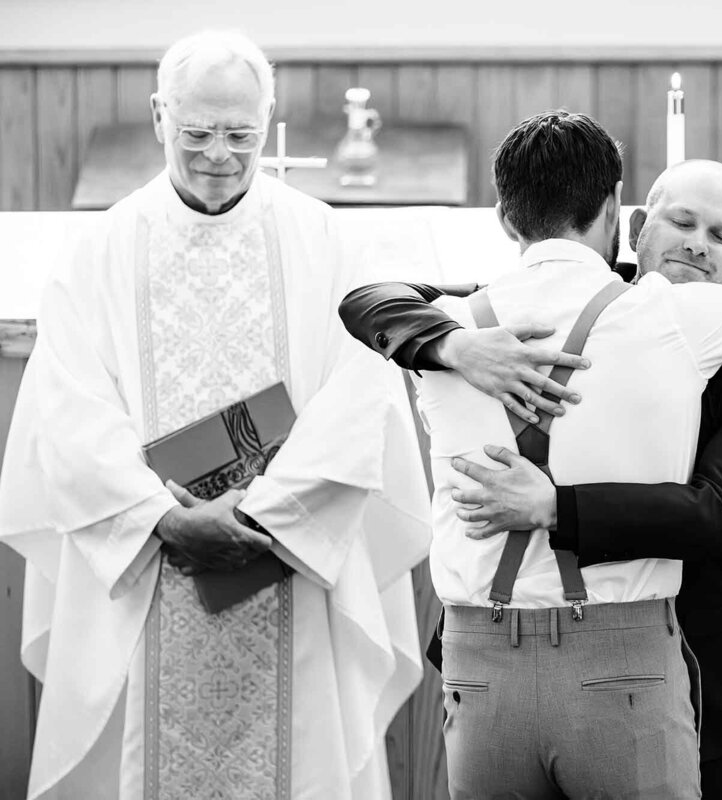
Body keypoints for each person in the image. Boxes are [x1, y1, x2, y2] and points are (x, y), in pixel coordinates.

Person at [340, 113, 722, 797]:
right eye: (684, 224)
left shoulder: (465, 322)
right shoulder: (666, 316)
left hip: (648, 652)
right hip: (623, 648)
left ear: (504, 215)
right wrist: (454, 346)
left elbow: (720, 516)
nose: (698, 246)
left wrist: (460, 355)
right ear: (624, 219)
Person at [0, 30, 431, 799]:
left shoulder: (324, 240)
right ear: (161, 116)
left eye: (242, 135)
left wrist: (265, 515)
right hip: (147, 572)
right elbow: (68, 411)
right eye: (197, 133)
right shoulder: (99, 251)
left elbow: (362, 393)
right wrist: (162, 519)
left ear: (270, 119)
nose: (219, 156)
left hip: (289, 568)